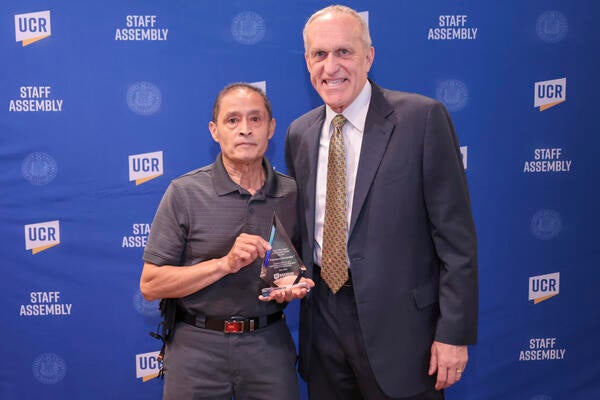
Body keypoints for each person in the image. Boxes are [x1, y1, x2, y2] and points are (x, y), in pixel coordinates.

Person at [284, 5, 478, 400]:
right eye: (320, 54)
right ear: (307, 62)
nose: (331, 66)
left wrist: (453, 334)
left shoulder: (422, 119)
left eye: (344, 52)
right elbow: (300, 229)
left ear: (368, 56)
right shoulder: (299, 134)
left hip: (404, 335)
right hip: (322, 325)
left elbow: (456, 241)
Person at [140, 83, 313, 400]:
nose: (245, 130)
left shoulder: (292, 193)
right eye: (232, 120)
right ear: (214, 130)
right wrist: (224, 264)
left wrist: (292, 285)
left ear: (271, 128)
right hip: (196, 350)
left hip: (268, 347)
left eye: (255, 120)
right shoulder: (184, 192)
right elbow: (151, 284)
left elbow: (299, 268)